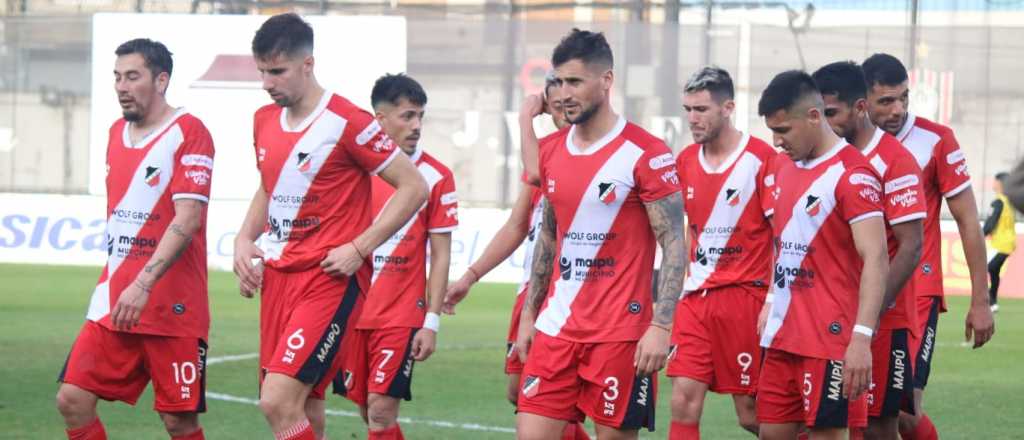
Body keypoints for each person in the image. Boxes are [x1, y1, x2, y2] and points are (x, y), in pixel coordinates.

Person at [232, 13, 427, 440]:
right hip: (278, 279)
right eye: (262, 71)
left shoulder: (347, 120)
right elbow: (270, 185)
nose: (267, 81)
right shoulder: (264, 120)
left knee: (276, 401)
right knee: (307, 407)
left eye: (277, 71)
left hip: (329, 280)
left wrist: (359, 247)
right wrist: (246, 239)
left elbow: (414, 187)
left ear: (308, 64)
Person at [515, 28, 686, 440]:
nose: (563, 92)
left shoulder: (646, 152)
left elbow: (676, 243)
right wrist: (528, 314)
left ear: (606, 81)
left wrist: (661, 327)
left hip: (620, 337)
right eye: (557, 81)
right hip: (557, 329)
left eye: (574, 81)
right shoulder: (551, 150)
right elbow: (550, 239)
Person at [56, 38, 215, 440]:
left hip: (171, 306)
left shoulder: (189, 132)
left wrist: (144, 283)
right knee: (72, 399)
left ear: (161, 80)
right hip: (114, 300)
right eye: (117, 77)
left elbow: (189, 217)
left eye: (132, 76)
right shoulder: (115, 132)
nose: (121, 86)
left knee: (179, 422)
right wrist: (126, 284)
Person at [443, 72, 591, 440]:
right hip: (531, 291)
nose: (562, 114)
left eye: (567, 105)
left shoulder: (573, 158)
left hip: (571, 296)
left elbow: (539, 171)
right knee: (517, 390)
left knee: (543, 400)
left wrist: (525, 118)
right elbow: (515, 227)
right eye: (554, 108)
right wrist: (470, 276)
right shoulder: (548, 155)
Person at [861, 53, 995, 440]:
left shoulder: (935, 140)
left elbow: (969, 220)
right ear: (862, 102)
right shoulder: (845, 144)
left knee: (902, 413)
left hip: (917, 293)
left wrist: (980, 300)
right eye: (886, 101)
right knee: (855, 412)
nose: (898, 109)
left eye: (904, 97)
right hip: (858, 291)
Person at [755, 70, 888, 440]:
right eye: (772, 131)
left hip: (829, 339)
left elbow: (876, 256)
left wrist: (861, 338)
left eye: (783, 130)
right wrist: (769, 299)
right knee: (769, 433)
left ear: (814, 117)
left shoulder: (853, 174)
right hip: (783, 333)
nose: (776, 141)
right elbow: (780, 242)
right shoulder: (781, 167)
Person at [330, 73, 458, 440]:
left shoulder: (436, 176)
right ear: (380, 120)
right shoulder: (352, 169)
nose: (417, 125)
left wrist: (431, 321)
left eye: (420, 116)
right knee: (366, 410)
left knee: (382, 410)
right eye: (407, 116)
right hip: (353, 309)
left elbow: (441, 254)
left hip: (401, 315)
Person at [813, 61, 927, 440]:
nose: (824, 122)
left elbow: (911, 246)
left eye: (831, 113)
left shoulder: (894, 160)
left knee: (879, 427)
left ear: (859, 108)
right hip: (827, 313)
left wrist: (870, 313)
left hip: (884, 318)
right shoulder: (822, 159)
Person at [667, 66, 777, 439]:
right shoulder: (683, 162)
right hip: (695, 301)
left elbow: (782, 236)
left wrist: (773, 299)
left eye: (701, 109)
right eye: (688, 110)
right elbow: (673, 235)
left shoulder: (762, 159)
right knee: (683, 400)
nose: (692, 119)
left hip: (746, 298)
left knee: (752, 415)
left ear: (728, 107)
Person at [983, 172, 1016, 313]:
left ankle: (987, 300)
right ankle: (993, 302)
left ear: (999, 184)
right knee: (993, 270)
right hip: (1009, 243)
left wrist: (980, 235)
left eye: (995, 181)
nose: (993, 183)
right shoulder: (1009, 202)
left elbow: (991, 222)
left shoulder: (998, 202)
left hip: (1000, 244)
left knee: (984, 268)